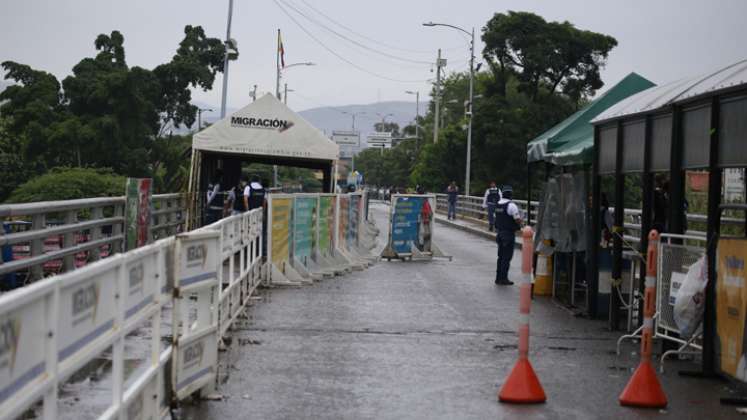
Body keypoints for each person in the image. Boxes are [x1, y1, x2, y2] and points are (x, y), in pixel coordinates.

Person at [494, 185, 522, 285]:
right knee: (506, 257)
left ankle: (498, 278)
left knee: (500, 257)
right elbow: (517, 219)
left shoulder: (497, 204)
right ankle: (503, 278)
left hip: (499, 234)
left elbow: (495, 218)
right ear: (510, 194)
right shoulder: (511, 205)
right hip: (508, 234)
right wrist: (521, 223)